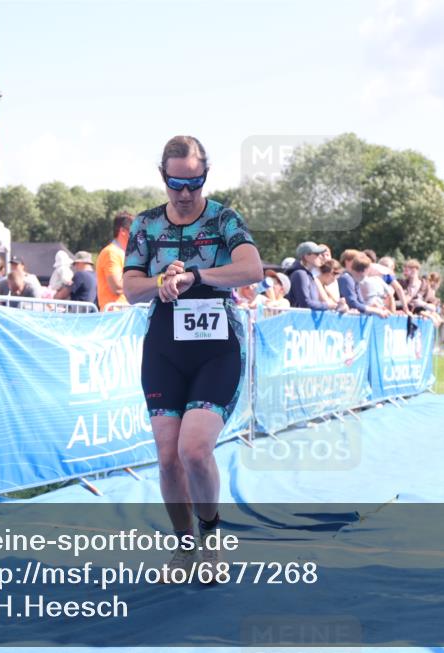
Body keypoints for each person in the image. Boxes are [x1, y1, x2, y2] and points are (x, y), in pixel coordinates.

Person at [122, 135, 262, 582]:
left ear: (206, 176)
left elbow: (252, 269)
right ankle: (184, 549)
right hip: (165, 346)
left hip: (217, 347)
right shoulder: (145, 225)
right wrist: (161, 279)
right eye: (176, 184)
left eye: (195, 183)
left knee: (195, 450)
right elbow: (129, 288)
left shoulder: (224, 218)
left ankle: (212, 537)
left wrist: (197, 275)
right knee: (167, 457)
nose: (185, 194)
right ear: (162, 176)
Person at [289, 241, 343, 311]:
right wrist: (327, 305)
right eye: (317, 254)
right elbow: (305, 303)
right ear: (306, 256)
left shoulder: (308, 275)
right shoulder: (300, 274)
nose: (320, 257)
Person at [96, 211, 133, 310]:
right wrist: (141, 283)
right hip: (114, 316)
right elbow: (117, 287)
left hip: (124, 314)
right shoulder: (111, 253)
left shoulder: (123, 253)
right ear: (123, 231)